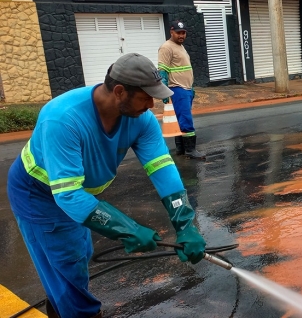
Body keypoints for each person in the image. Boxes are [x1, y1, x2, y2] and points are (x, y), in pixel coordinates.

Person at [6, 53, 207, 318]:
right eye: (146, 97)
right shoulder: (62, 118)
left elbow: (162, 169)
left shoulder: (141, 120)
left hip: (78, 195)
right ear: (120, 91)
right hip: (38, 194)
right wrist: (128, 230)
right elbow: (67, 195)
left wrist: (185, 224)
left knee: (76, 259)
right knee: (67, 262)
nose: (152, 104)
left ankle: (60, 305)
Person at [159, 20, 205, 159]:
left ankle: (181, 149)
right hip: (177, 89)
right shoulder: (167, 47)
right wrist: (164, 90)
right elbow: (162, 71)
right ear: (171, 32)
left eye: (183, 33)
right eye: (178, 33)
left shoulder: (180, 46)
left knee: (180, 120)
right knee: (185, 119)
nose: (181, 35)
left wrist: (191, 88)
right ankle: (191, 150)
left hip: (186, 89)